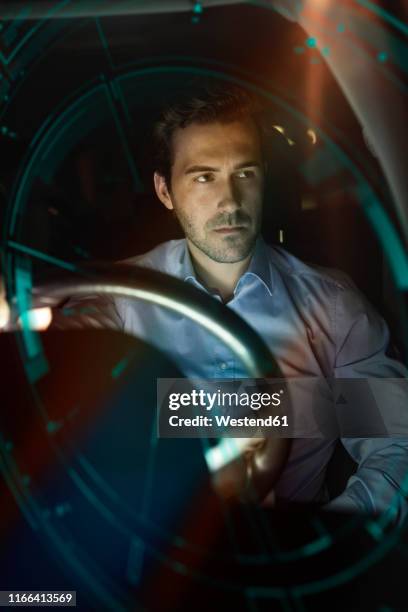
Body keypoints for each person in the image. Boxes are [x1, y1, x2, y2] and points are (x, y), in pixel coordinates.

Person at [3, 83, 408, 522]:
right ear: (165, 191)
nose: (229, 201)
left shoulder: (333, 308)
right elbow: (57, 365)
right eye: (204, 176)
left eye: (245, 173)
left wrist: (329, 536)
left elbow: (398, 447)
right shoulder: (121, 297)